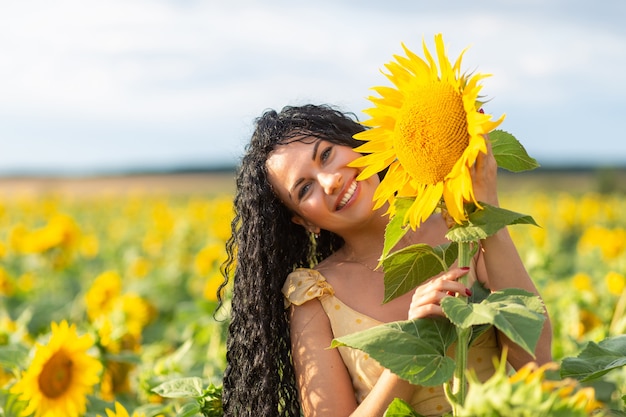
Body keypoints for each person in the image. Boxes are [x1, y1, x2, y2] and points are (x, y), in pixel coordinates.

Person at [219, 104, 552, 417]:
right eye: (305, 189)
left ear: (358, 145)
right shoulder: (315, 295)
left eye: (327, 155)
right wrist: (413, 344)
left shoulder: (462, 233)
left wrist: (486, 212)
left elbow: (538, 362)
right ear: (304, 221)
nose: (330, 181)